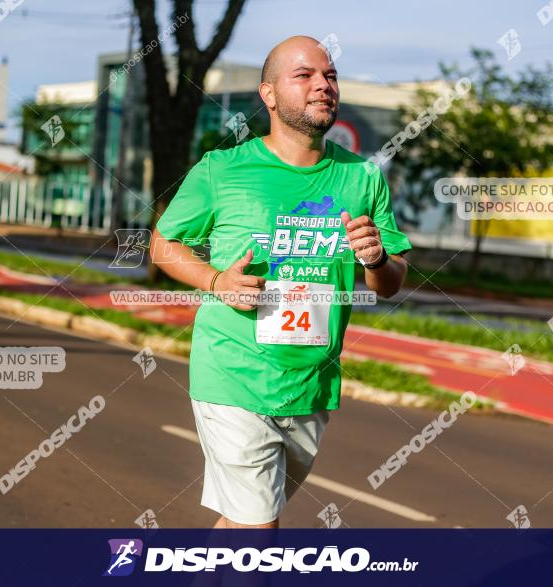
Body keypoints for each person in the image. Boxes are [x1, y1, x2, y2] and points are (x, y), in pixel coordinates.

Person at [149, 35, 411, 529]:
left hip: (311, 384)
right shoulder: (223, 170)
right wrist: (214, 280)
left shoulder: (362, 178)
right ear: (268, 95)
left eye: (330, 76)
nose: (323, 85)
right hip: (232, 373)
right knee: (259, 531)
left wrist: (375, 259)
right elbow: (162, 244)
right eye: (305, 75)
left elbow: (391, 282)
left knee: (244, 519)